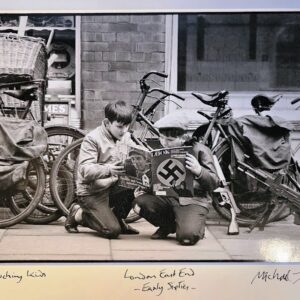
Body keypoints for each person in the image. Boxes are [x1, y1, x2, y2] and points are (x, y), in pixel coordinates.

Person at [132, 115, 219, 246]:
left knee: (187, 238)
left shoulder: (200, 150)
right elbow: (158, 180)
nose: (164, 143)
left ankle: (194, 227)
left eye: (170, 140)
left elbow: (214, 183)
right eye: (161, 138)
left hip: (192, 200)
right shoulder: (161, 151)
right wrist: (144, 184)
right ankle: (169, 226)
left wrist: (199, 171)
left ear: (184, 138)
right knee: (139, 204)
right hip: (167, 197)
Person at [65, 100, 139, 238]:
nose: (124, 131)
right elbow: (85, 171)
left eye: (127, 126)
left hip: (112, 186)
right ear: (107, 122)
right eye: (120, 127)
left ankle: (118, 218)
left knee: (134, 183)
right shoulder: (92, 139)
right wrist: (109, 169)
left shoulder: (125, 136)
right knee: (112, 231)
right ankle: (78, 214)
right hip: (91, 192)